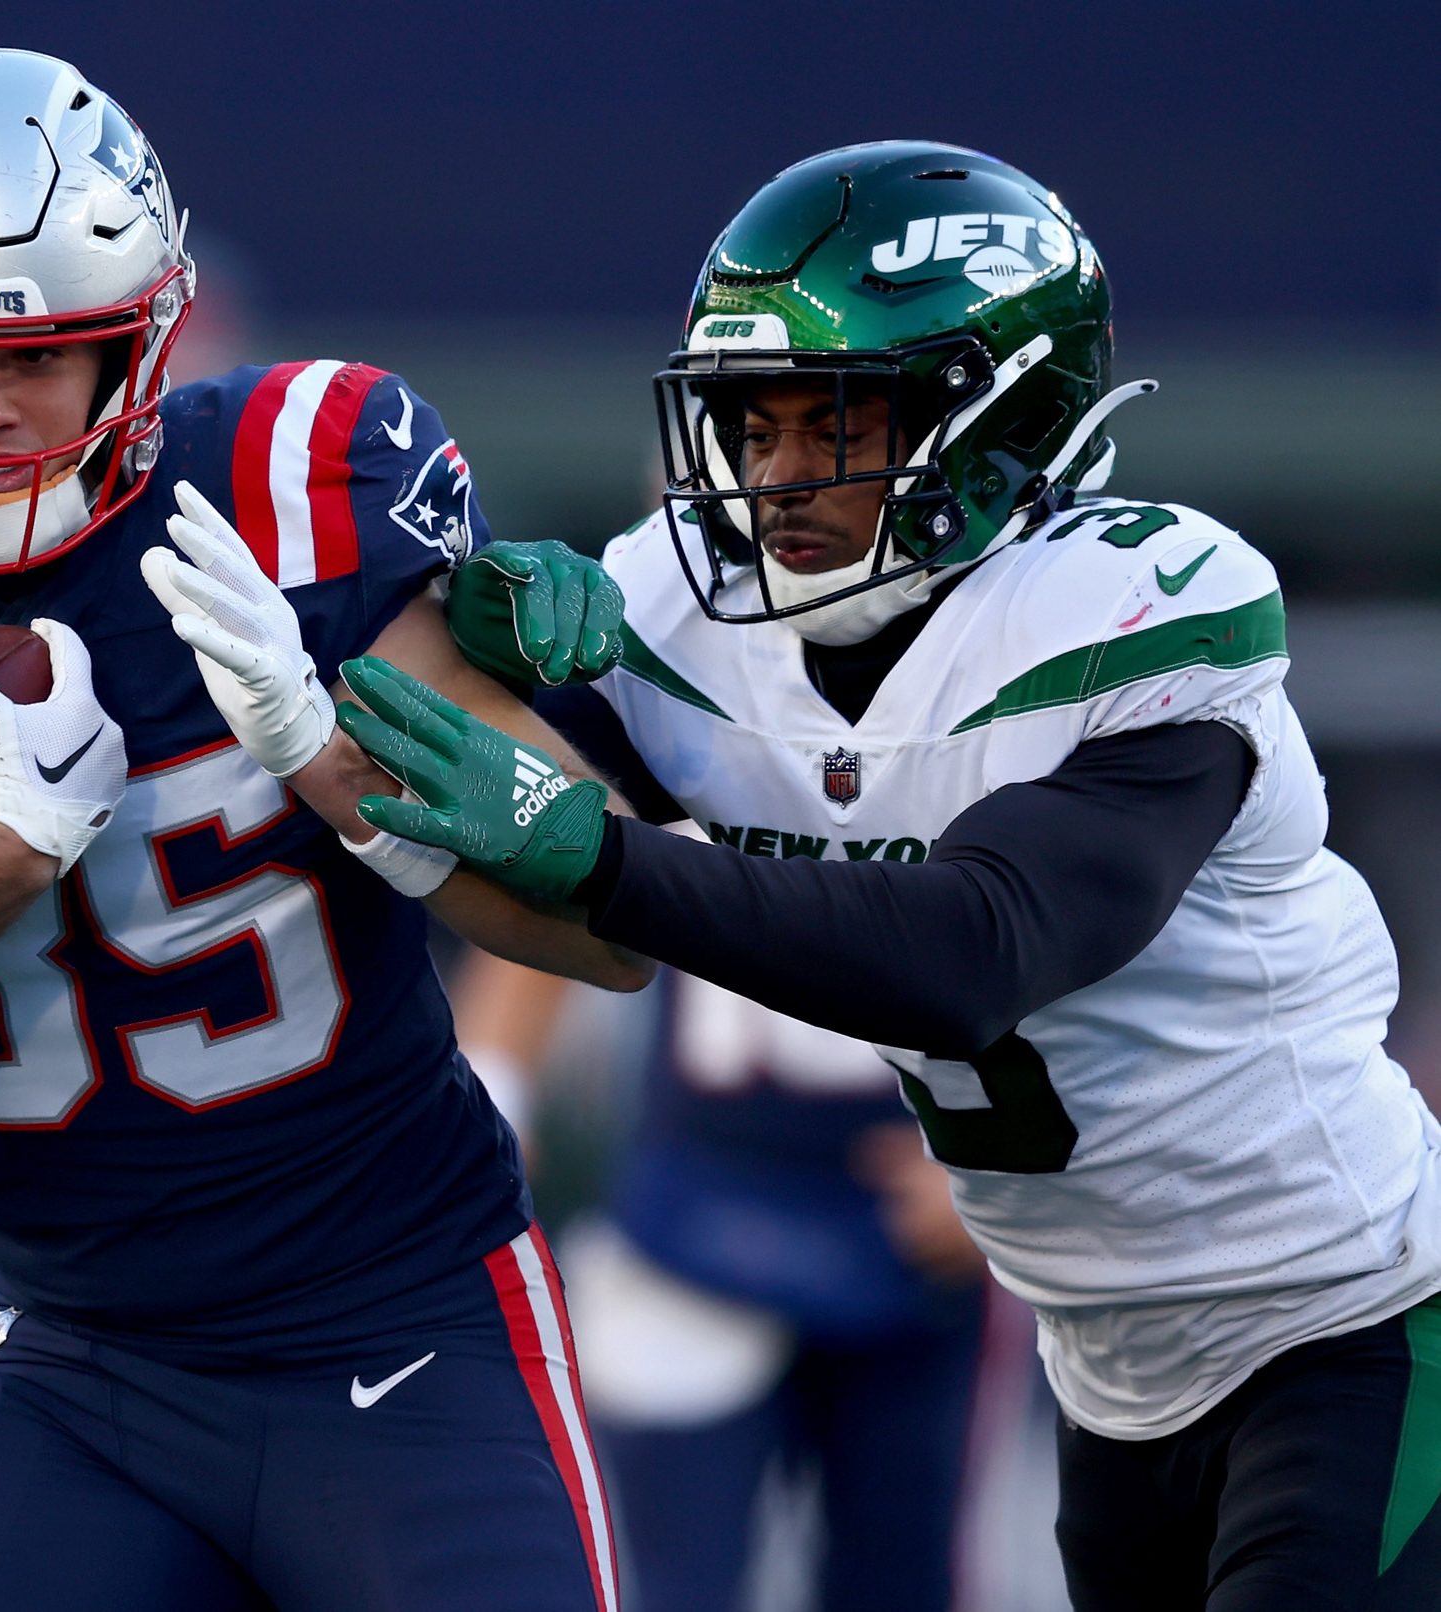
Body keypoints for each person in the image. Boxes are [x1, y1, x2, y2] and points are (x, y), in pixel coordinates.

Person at [0, 46, 647, 1612]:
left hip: (409, 1321)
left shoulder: (301, 481)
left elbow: (613, 919)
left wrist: (322, 753)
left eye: (48, 355)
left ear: (143, 341)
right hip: (76, 1364)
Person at [333, 141, 1441, 1611]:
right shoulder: (685, 607)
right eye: (751, 424)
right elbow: (521, 799)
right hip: (1107, 1373)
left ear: (1001, 423)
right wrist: (475, 662)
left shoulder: (1141, 609)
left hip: (1347, 1318)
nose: (778, 479)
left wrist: (597, 851)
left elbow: (962, 954)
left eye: (836, 420)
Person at [451, 948, 1000, 1612]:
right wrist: (492, 1099)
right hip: (695, 1225)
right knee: (676, 1585)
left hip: (918, 1246)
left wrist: (1004, 1167)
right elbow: (542, 895)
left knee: (902, 1578)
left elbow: (1083, 940)